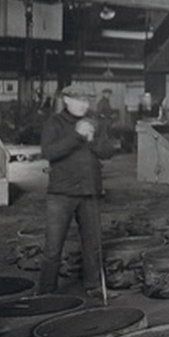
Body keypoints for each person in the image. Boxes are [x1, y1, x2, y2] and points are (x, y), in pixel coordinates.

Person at [39, 83, 116, 298]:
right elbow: (49, 152)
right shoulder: (54, 123)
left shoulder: (94, 122)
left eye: (87, 100)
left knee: (93, 244)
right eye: (79, 100)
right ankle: (46, 292)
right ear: (66, 100)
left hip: (90, 191)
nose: (84, 105)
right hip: (61, 193)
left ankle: (93, 286)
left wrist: (92, 141)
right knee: (53, 247)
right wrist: (76, 135)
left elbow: (108, 152)